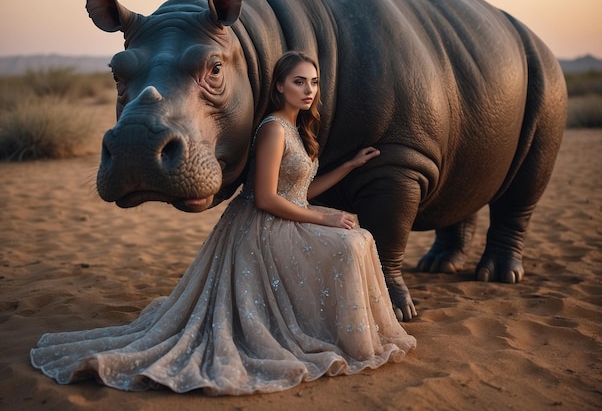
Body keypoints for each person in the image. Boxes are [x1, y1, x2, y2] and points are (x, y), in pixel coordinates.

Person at [30, 51, 416, 395]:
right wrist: (326, 217)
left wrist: (349, 166)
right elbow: (265, 197)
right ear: (280, 87)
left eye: (314, 82)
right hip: (262, 226)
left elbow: (303, 189)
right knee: (352, 242)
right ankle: (337, 334)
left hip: (287, 216)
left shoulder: (298, 129)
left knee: (359, 239)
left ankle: (333, 330)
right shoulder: (272, 130)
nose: (309, 89)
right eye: (299, 82)